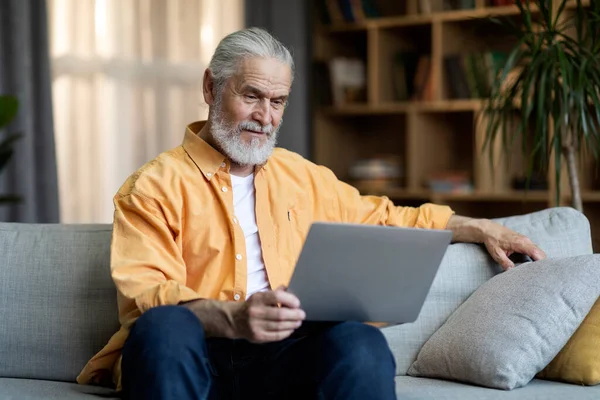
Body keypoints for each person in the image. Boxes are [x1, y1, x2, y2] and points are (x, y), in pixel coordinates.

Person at [77, 27, 546, 400]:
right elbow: (148, 293)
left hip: (283, 361)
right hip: (193, 355)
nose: (265, 116)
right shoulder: (153, 186)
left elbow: (384, 217)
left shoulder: (303, 177)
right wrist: (234, 317)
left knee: (359, 342)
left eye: (277, 101)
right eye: (252, 95)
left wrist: (476, 226)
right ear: (210, 86)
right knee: (162, 326)